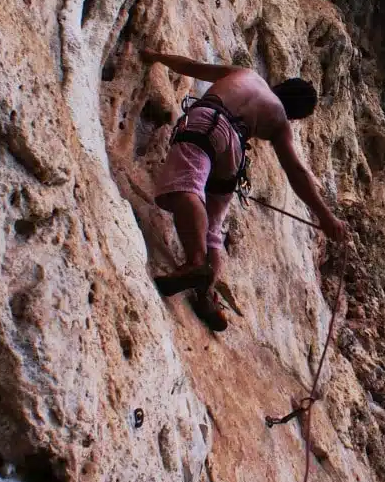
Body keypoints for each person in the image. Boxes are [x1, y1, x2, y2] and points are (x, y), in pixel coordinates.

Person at [142, 48, 349, 306]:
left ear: (280, 85)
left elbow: (192, 66)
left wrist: (156, 56)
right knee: (214, 228)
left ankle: (196, 263)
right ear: (295, 116)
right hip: (234, 152)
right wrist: (326, 216)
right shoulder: (280, 122)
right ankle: (208, 296)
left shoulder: (244, 74)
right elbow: (296, 171)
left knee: (188, 186)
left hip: (209, 122)